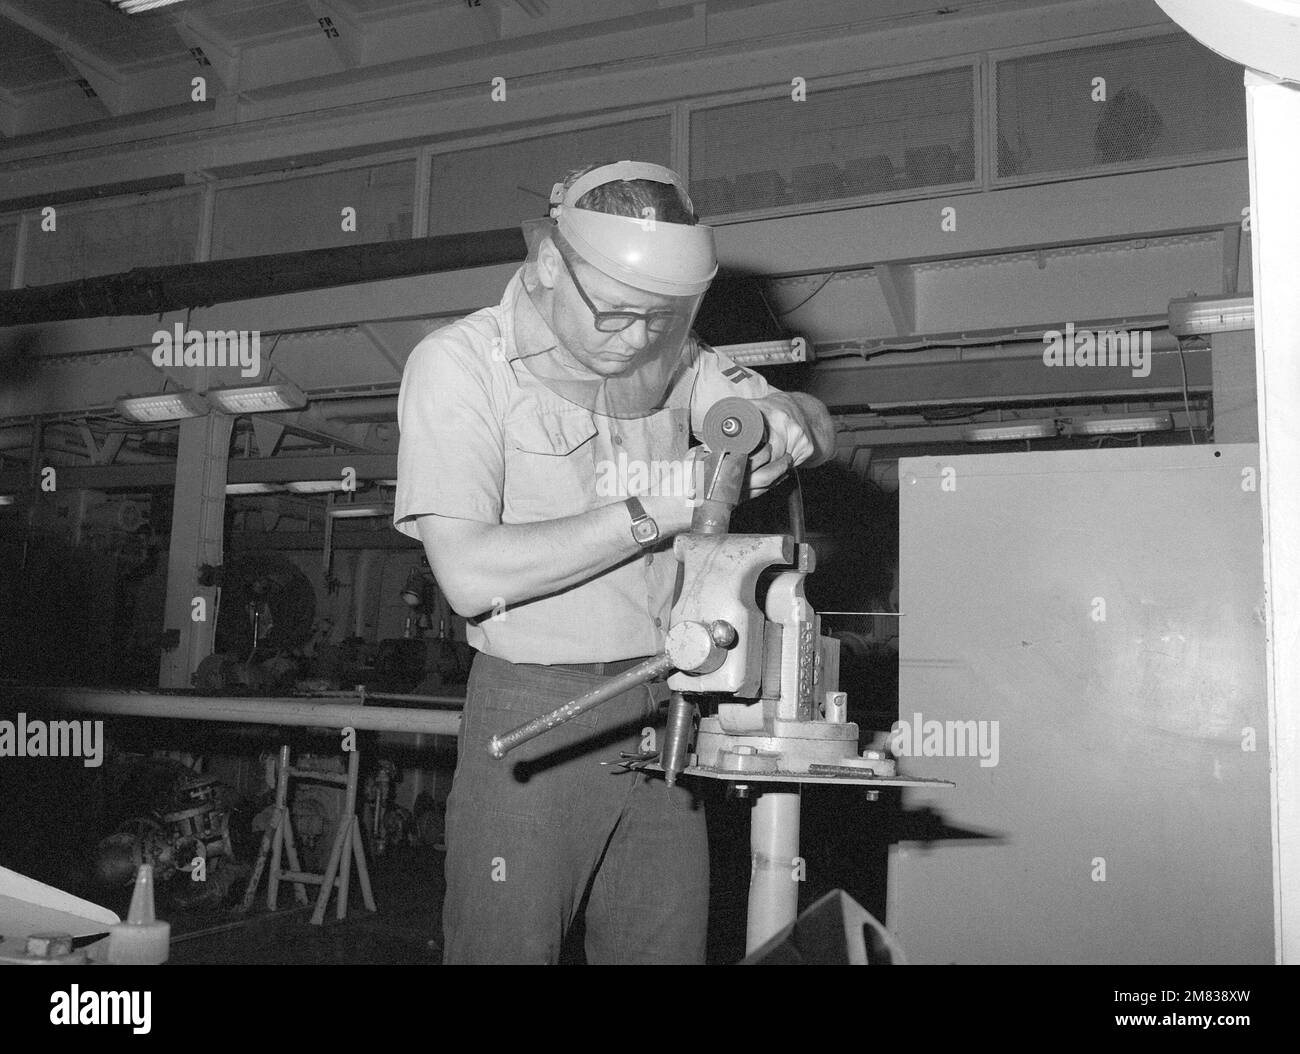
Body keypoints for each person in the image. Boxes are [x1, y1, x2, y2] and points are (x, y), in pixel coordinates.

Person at [394, 160, 835, 964]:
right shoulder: (460, 365)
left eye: (661, 321)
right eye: (618, 315)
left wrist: (785, 417)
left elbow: (805, 416)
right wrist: (658, 508)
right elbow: (468, 574)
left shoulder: (667, 351)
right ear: (551, 265)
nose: (636, 341)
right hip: (534, 713)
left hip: (667, 703)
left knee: (662, 949)